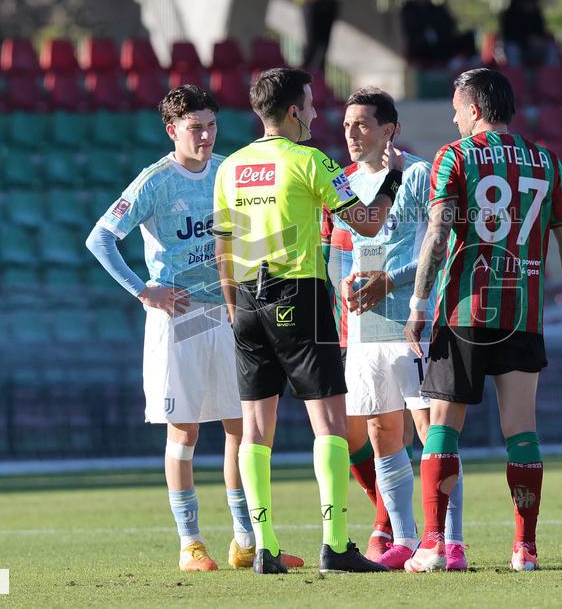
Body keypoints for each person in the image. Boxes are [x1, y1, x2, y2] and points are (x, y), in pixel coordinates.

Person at [84, 86, 304, 573]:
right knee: (183, 432)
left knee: (240, 426)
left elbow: (248, 235)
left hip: (228, 312)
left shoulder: (228, 171)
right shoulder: (155, 181)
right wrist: (144, 291)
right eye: (194, 128)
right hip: (180, 318)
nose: (205, 136)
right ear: (172, 131)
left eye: (211, 125)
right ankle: (190, 543)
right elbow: (100, 239)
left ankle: (246, 541)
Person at [212, 67, 402, 574]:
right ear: (294, 111)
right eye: (312, 106)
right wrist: (394, 178)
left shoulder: (231, 167)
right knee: (331, 424)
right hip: (299, 293)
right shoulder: (311, 160)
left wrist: (232, 307)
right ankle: (335, 544)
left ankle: (265, 547)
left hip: (246, 301)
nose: (317, 115)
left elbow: (222, 245)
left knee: (256, 428)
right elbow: (369, 223)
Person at [403, 68, 562, 573]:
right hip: (522, 311)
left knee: (443, 426)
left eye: (457, 110)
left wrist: (418, 304)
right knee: (522, 430)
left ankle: (433, 544)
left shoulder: (454, 156)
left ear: (475, 110)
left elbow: (438, 232)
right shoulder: (546, 161)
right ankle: (525, 548)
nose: (454, 120)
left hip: (464, 308)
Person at [321, 87, 467, 570]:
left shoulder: (419, 173)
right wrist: (342, 285)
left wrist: (393, 280)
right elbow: (337, 254)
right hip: (364, 328)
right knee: (382, 429)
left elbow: (438, 245)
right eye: (347, 124)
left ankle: (450, 540)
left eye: (362, 124)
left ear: (391, 129)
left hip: (413, 323)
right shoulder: (341, 183)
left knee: (432, 430)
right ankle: (404, 537)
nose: (352, 133)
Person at [401, 0, 473, 68]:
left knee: (468, 36)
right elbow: (414, 29)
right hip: (422, 47)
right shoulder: (409, 8)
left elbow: (450, 24)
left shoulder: (435, 8)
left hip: (442, 42)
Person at [499, 0, 559, 67]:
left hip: (533, 50)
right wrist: (527, 40)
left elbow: (541, 33)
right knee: (513, 49)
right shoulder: (510, 15)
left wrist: (539, 41)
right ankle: (514, 74)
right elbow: (508, 36)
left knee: (551, 48)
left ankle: (549, 74)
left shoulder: (536, 15)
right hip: (515, 50)